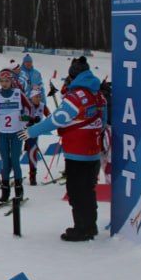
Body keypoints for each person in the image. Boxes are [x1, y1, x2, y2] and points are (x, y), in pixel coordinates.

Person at [23, 56, 106, 241]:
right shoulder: (98, 93)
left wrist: (32, 131)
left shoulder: (77, 96)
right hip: (93, 150)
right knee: (89, 190)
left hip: (77, 152)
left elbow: (57, 119)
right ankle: (90, 226)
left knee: (77, 191)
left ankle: (81, 229)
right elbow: (103, 120)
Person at [0, 68, 32, 203]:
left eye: (6, 81)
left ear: (11, 81)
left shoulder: (18, 93)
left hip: (17, 132)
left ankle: (18, 190)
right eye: (1, 81)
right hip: (2, 133)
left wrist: (26, 120)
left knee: (15, 161)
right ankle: (5, 191)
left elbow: (28, 107)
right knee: (5, 162)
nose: (4, 84)